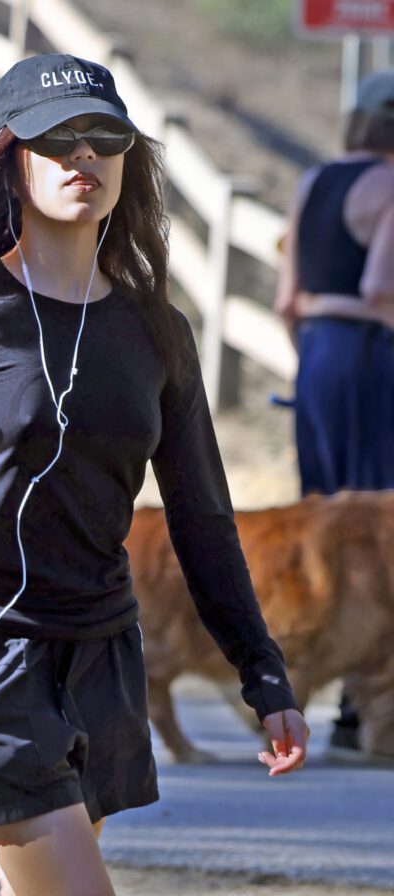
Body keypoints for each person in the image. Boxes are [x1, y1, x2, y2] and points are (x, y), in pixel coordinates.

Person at [0, 53, 309, 896]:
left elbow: (203, 519)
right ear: (9, 163)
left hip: (103, 654)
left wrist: (262, 671)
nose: (82, 154)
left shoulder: (157, 333)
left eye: (103, 137)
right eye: (56, 139)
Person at [275, 68, 394, 758]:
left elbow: (287, 302)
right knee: (378, 534)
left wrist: (317, 350)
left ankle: (318, 703)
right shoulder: (391, 185)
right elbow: (381, 288)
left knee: (325, 527)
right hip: (373, 359)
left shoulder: (313, 182)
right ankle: (366, 713)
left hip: (318, 359)